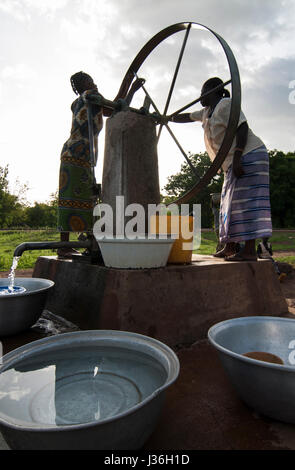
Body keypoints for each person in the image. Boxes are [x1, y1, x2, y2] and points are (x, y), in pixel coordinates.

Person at [170, 77, 272, 261]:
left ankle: (249, 250)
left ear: (213, 90)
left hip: (249, 155)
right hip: (232, 162)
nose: (200, 96)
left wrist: (239, 156)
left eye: (203, 92)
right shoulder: (207, 112)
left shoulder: (225, 104)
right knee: (227, 204)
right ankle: (230, 246)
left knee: (245, 202)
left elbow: (242, 127)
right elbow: (186, 116)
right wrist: (166, 118)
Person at [57, 71, 143, 258]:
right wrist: (128, 82)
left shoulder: (91, 101)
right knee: (70, 197)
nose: (94, 83)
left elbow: (113, 110)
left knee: (87, 199)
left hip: (84, 156)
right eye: (89, 81)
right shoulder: (88, 96)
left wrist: (131, 92)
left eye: (93, 80)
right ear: (81, 86)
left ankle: (88, 241)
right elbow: (114, 104)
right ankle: (63, 246)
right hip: (75, 154)